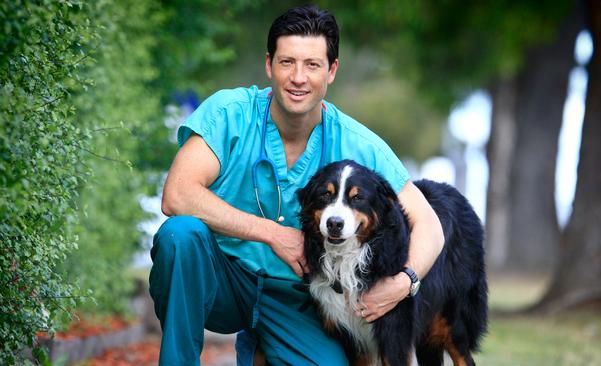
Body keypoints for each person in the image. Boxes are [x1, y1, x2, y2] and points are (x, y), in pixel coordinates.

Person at [149, 5, 444, 365]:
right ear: (269, 65)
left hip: (297, 299)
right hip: (222, 279)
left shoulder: (358, 144)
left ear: (332, 71)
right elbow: (177, 194)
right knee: (180, 235)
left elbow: (429, 225)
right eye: (287, 62)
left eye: (313, 65)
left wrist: (402, 283)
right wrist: (272, 233)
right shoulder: (229, 113)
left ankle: (261, 345)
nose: (298, 77)